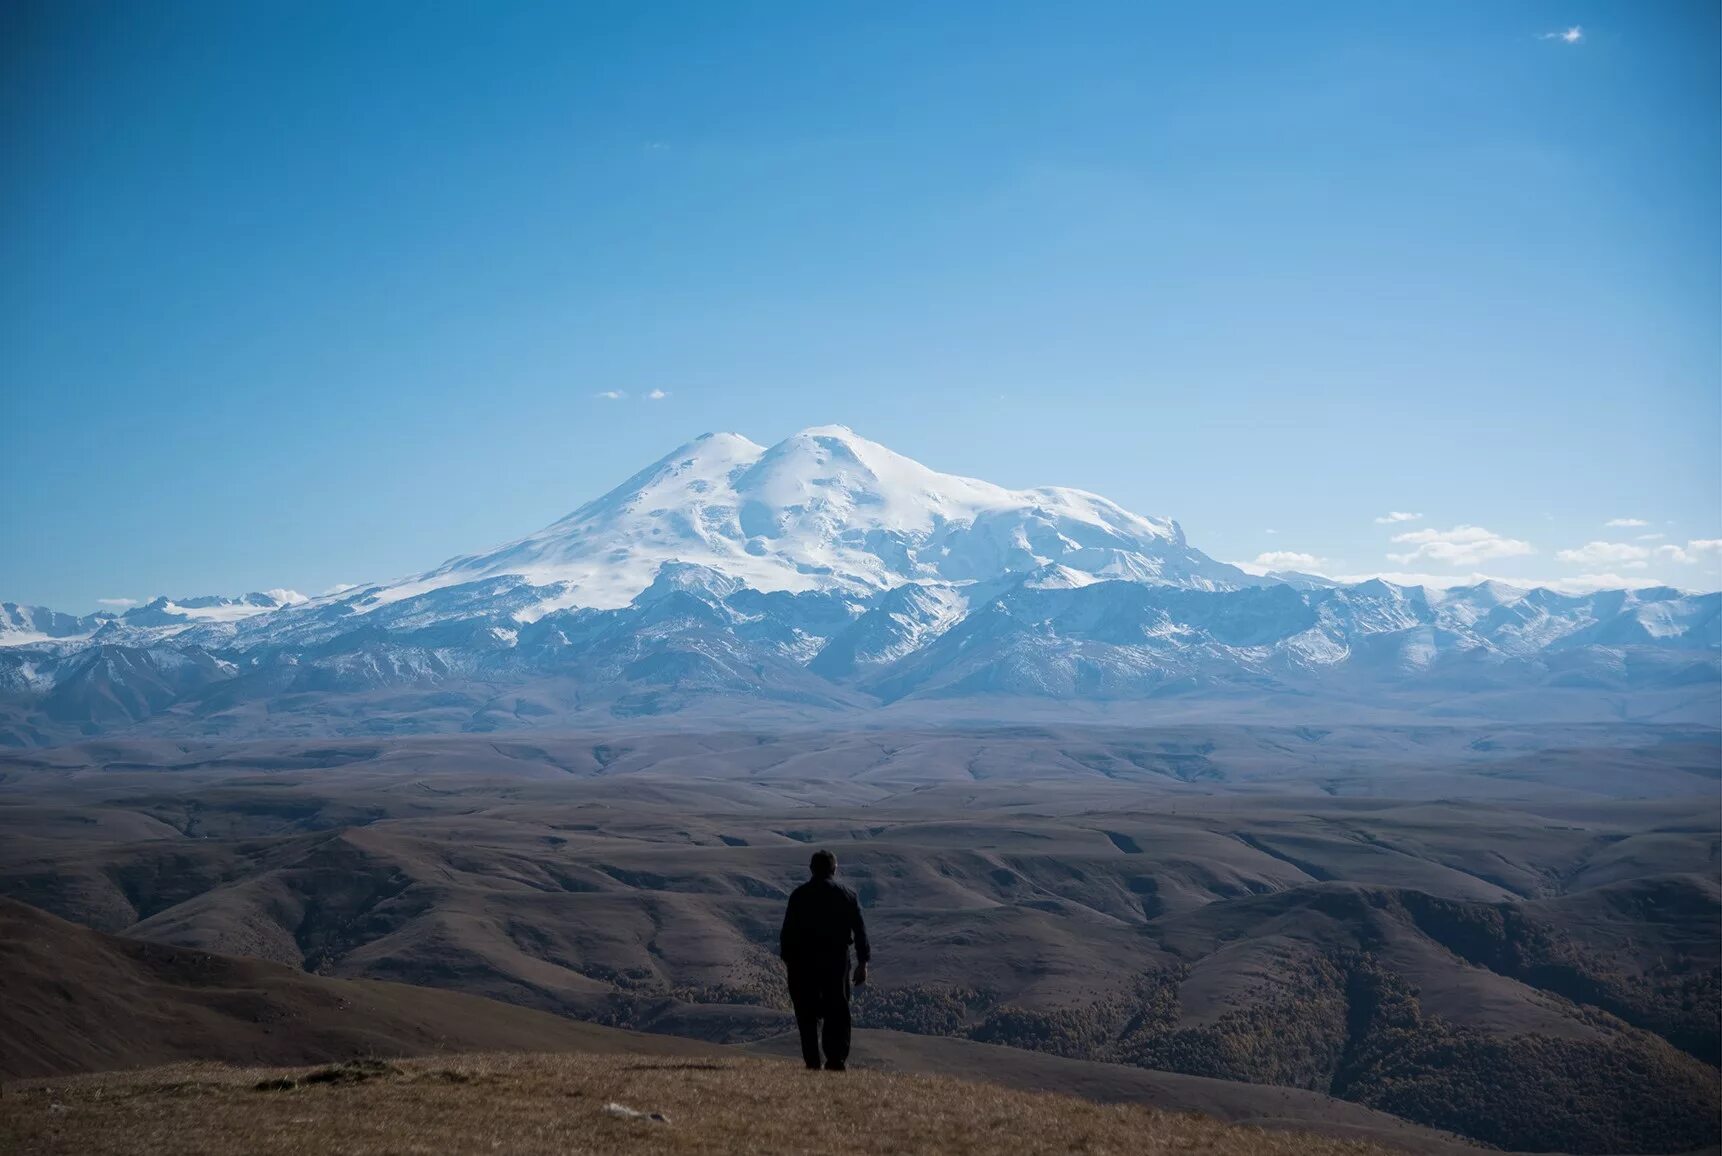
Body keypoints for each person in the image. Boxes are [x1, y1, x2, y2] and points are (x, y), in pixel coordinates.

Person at [779, 848, 870, 1071]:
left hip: (802, 962)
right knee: (837, 1010)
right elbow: (860, 931)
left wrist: (789, 962)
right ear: (834, 869)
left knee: (806, 1013)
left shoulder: (799, 896)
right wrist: (862, 963)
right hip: (836, 961)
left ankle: (812, 1062)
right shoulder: (847, 895)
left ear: (811, 869)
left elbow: (787, 933)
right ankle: (836, 1061)